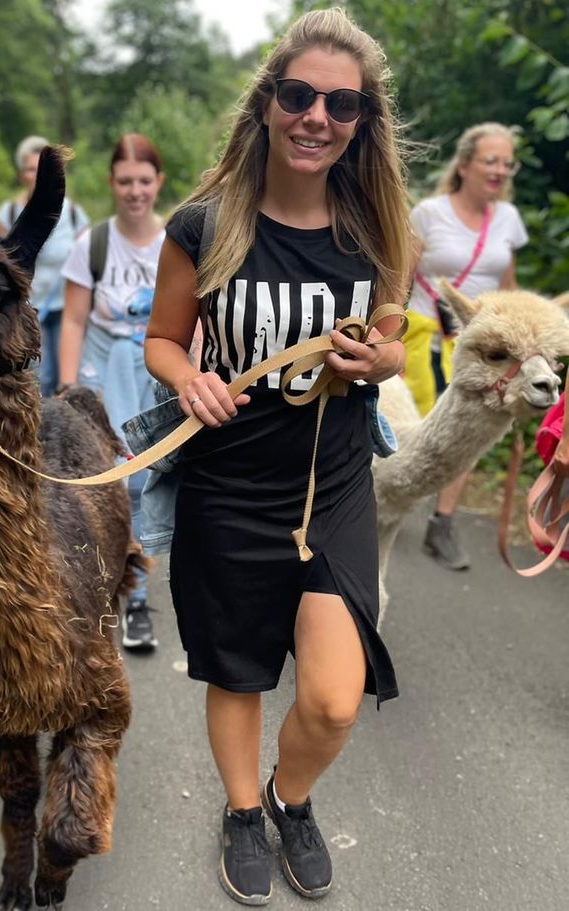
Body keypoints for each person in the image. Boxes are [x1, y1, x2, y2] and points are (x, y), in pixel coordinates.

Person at [144, 8, 411, 904]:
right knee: (237, 667)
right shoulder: (201, 226)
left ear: (361, 123)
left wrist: (381, 359)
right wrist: (190, 378)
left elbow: (391, 338)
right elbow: (162, 340)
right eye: (298, 96)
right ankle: (238, 811)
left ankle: (286, 797)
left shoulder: (376, 230)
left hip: (330, 488)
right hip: (226, 484)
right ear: (267, 103)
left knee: (333, 698)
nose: (316, 117)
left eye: (341, 105)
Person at [58, 133, 167, 652]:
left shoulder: (175, 243)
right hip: (103, 377)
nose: (135, 191)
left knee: (147, 485)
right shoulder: (93, 245)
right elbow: (74, 319)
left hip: (155, 377)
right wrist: (69, 386)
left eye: (143, 181)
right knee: (107, 484)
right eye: (125, 181)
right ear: (111, 183)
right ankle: (105, 591)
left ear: (158, 182)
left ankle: (137, 595)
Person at [404, 123, 528, 571]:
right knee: (410, 425)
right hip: (421, 336)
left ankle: (442, 523)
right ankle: (376, 496)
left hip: (478, 347)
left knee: (470, 429)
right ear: (464, 164)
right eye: (491, 160)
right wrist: (388, 335)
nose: (500, 170)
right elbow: (401, 275)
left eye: (507, 163)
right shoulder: (430, 214)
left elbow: (508, 286)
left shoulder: (508, 219)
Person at [0, 135, 89, 397]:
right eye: (29, 169)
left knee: (68, 376)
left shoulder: (73, 214)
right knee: (38, 375)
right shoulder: (8, 214)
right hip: (28, 310)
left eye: (41, 169)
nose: (35, 175)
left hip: (67, 307)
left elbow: (87, 259)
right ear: (20, 174)